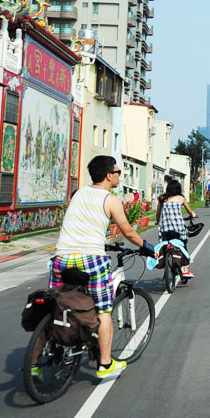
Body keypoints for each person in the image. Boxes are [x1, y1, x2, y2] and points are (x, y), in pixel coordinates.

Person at [45, 155, 155, 380]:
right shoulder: (110, 200)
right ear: (108, 175)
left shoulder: (78, 194)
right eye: (118, 173)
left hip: (61, 259)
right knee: (104, 311)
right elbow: (128, 232)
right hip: (90, 260)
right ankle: (105, 363)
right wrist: (148, 247)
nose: (118, 176)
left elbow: (82, 224)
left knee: (54, 303)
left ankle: (37, 360)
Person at [157, 178, 198, 278]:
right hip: (178, 228)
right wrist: (193, 214)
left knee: (164, 243)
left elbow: (158, 213)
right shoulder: (181, 198)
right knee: (183, 244)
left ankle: (165, 265)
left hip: (165, 228)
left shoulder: (162, 198)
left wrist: (158, 222)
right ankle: (185, 269)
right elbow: (189, 211)